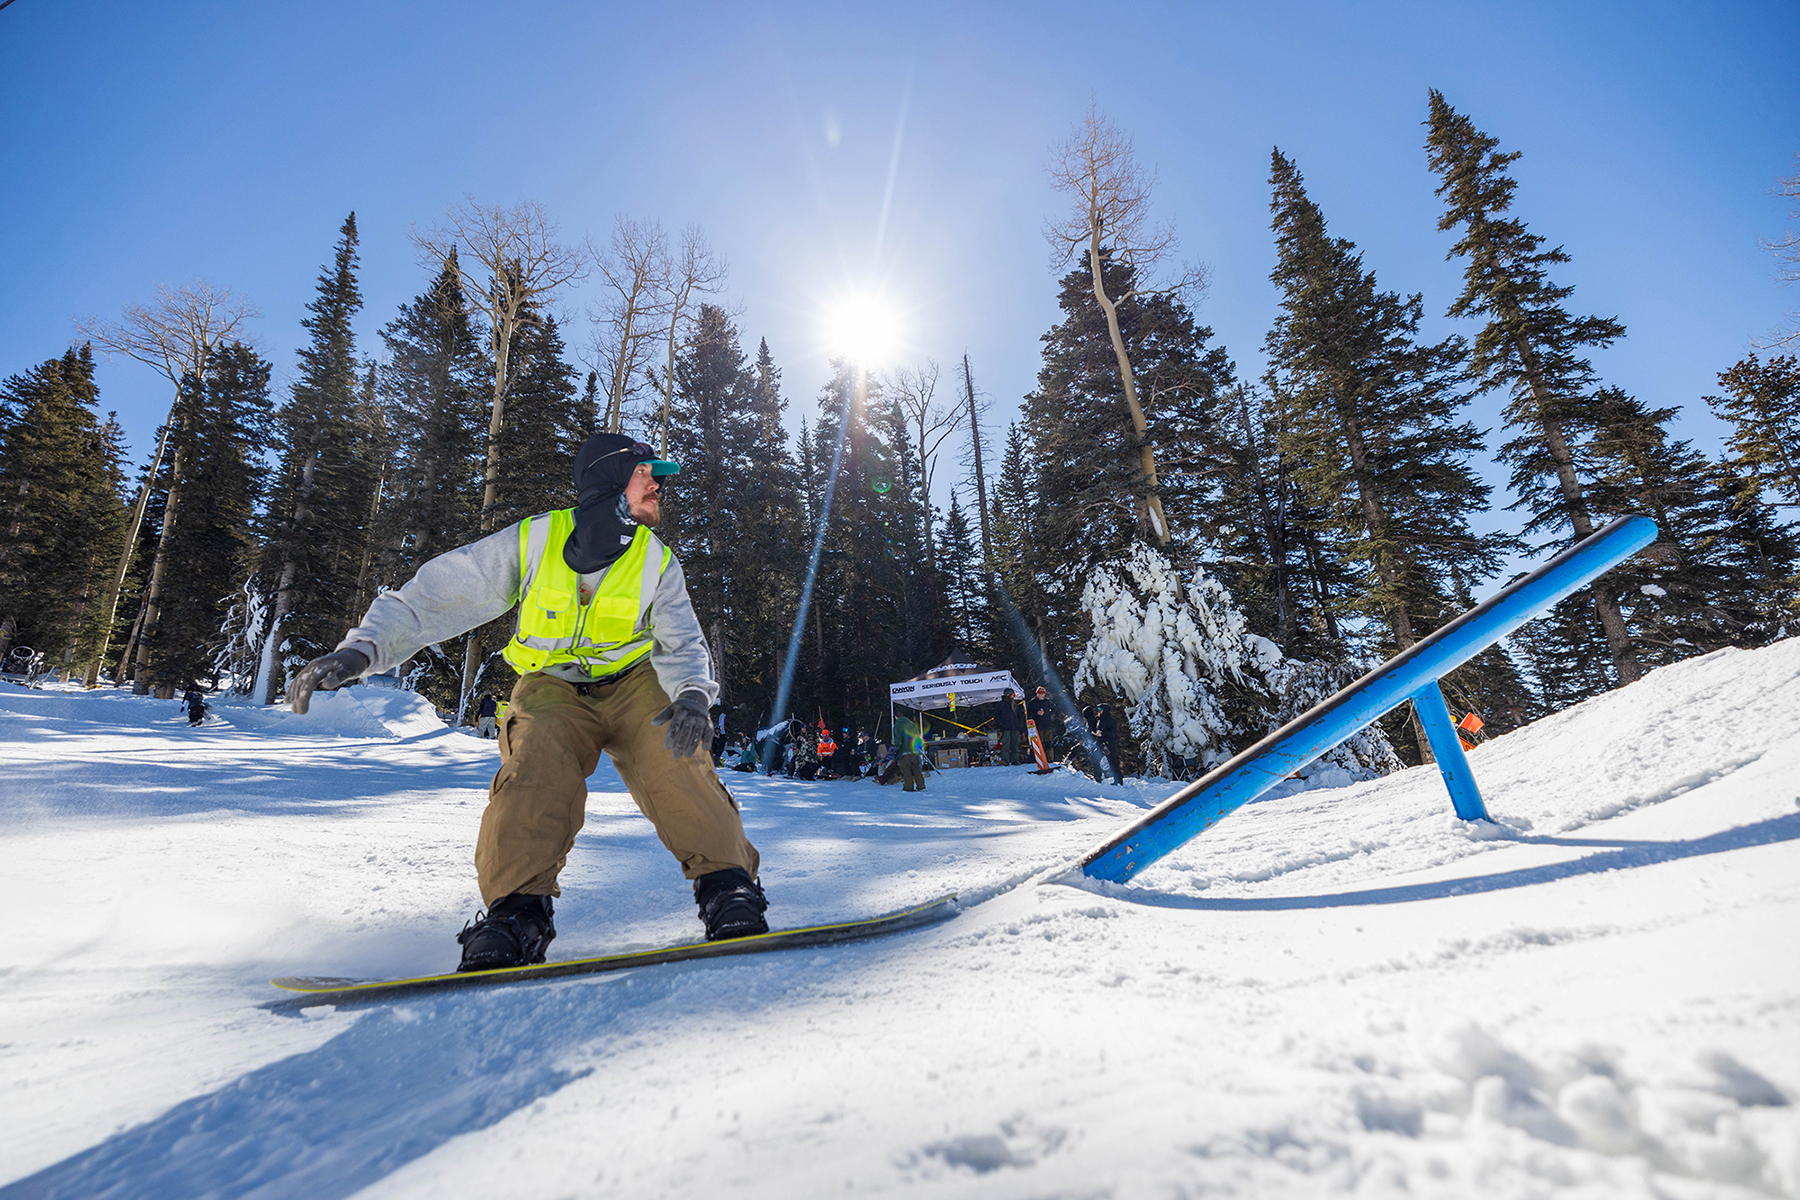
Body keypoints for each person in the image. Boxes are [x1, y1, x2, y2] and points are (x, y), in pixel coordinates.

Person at [284, 433, 766, 971]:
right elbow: (432, 600)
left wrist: (695, 696)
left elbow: (681, 642)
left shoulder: (657, 561)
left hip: (637, 681)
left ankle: (729, 888)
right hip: (551, 686)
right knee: (535, 765)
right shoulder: (534, 541)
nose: (657, 483)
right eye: (645, 473)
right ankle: (517, 914)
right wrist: (361, 652)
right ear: (610, 480)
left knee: (675, 757)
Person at [893, 711, 926, 792]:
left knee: (906, 769)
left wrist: (897, 749)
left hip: (904, 752)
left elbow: (898, 741)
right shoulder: (911, 724)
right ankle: (921, 785)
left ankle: (908, 787)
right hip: (914, 751)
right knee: (916, 769)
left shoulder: (897, 726)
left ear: (895, 716)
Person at [1095, 702, 1125, 786]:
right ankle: (1097, 779)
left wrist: (1103, 734)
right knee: (1096, 760)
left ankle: (1118, 781)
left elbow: (1113, 733)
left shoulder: (1111, 721)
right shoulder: (1100, 720)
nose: (1098, 711)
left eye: (1100, 710)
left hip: (1109, 746)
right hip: (1101, 745)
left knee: (1113, 763)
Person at [994, 688, 1026, 765]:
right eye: (1012, 695)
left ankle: (1015, 760)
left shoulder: (1015, 705)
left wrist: (1020, 726)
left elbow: (1020, 716)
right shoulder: (1000, 705)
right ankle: (1005, 760)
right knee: (1006, 745)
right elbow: (996, 716)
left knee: (1015, 745)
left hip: (1016, 728)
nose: (1013, 697)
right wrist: (1001, 726)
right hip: (1005, 728)